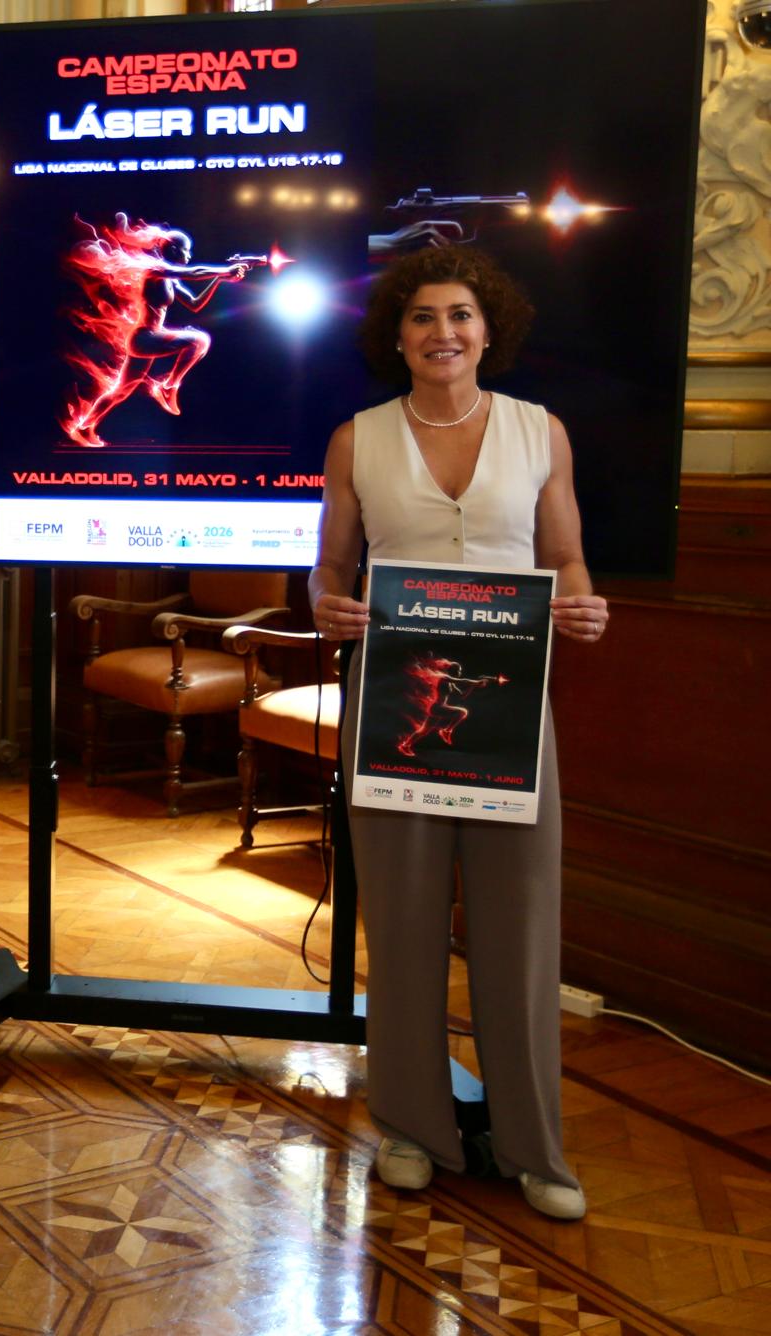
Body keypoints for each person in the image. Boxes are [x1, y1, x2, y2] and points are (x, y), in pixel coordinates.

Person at [308, 246, 608, 1221]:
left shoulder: (539, 431)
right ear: (397, 337)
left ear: (488, 331)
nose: (443, 332)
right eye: (423, 316)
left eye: (460, 315)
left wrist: (583, 604)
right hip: (393, 701)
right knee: (400, 918)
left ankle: (533, 1148)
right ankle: (411, 1128)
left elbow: (564, 558)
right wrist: (326, 606)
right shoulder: (356, 438)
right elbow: (329, 571)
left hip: (509, 706)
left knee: (519, 923)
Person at [62, 213, 256, 447]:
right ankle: (168, 386)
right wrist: (225, 270)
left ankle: (84, 425)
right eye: (186, 250)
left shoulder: (170, 278)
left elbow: (195, 303)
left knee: (121, 391)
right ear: (173, 250)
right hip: (146, 337)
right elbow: (194, 273)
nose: (189, 256)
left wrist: (221, 279)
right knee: (199, 341)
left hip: (148, 339)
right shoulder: (155, 270)